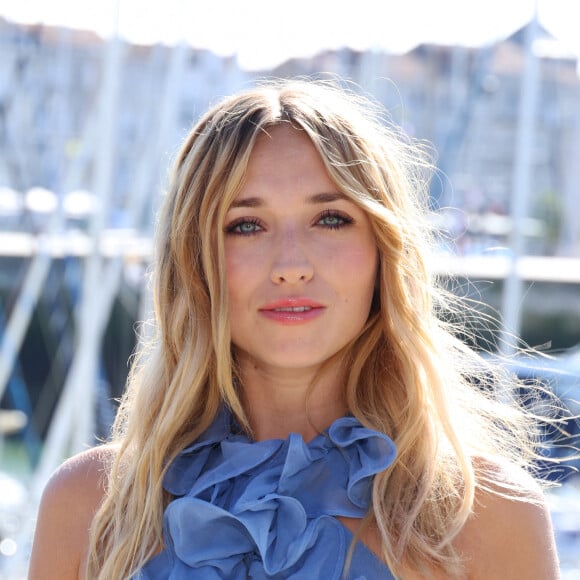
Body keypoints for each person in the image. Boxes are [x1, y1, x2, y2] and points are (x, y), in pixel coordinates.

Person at [29, 79, 560, 579]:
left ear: (383, 251)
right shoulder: (90, 507)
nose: (291, 265)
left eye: (330, 219)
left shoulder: (491, 518)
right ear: (194, 263)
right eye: (246, 225)